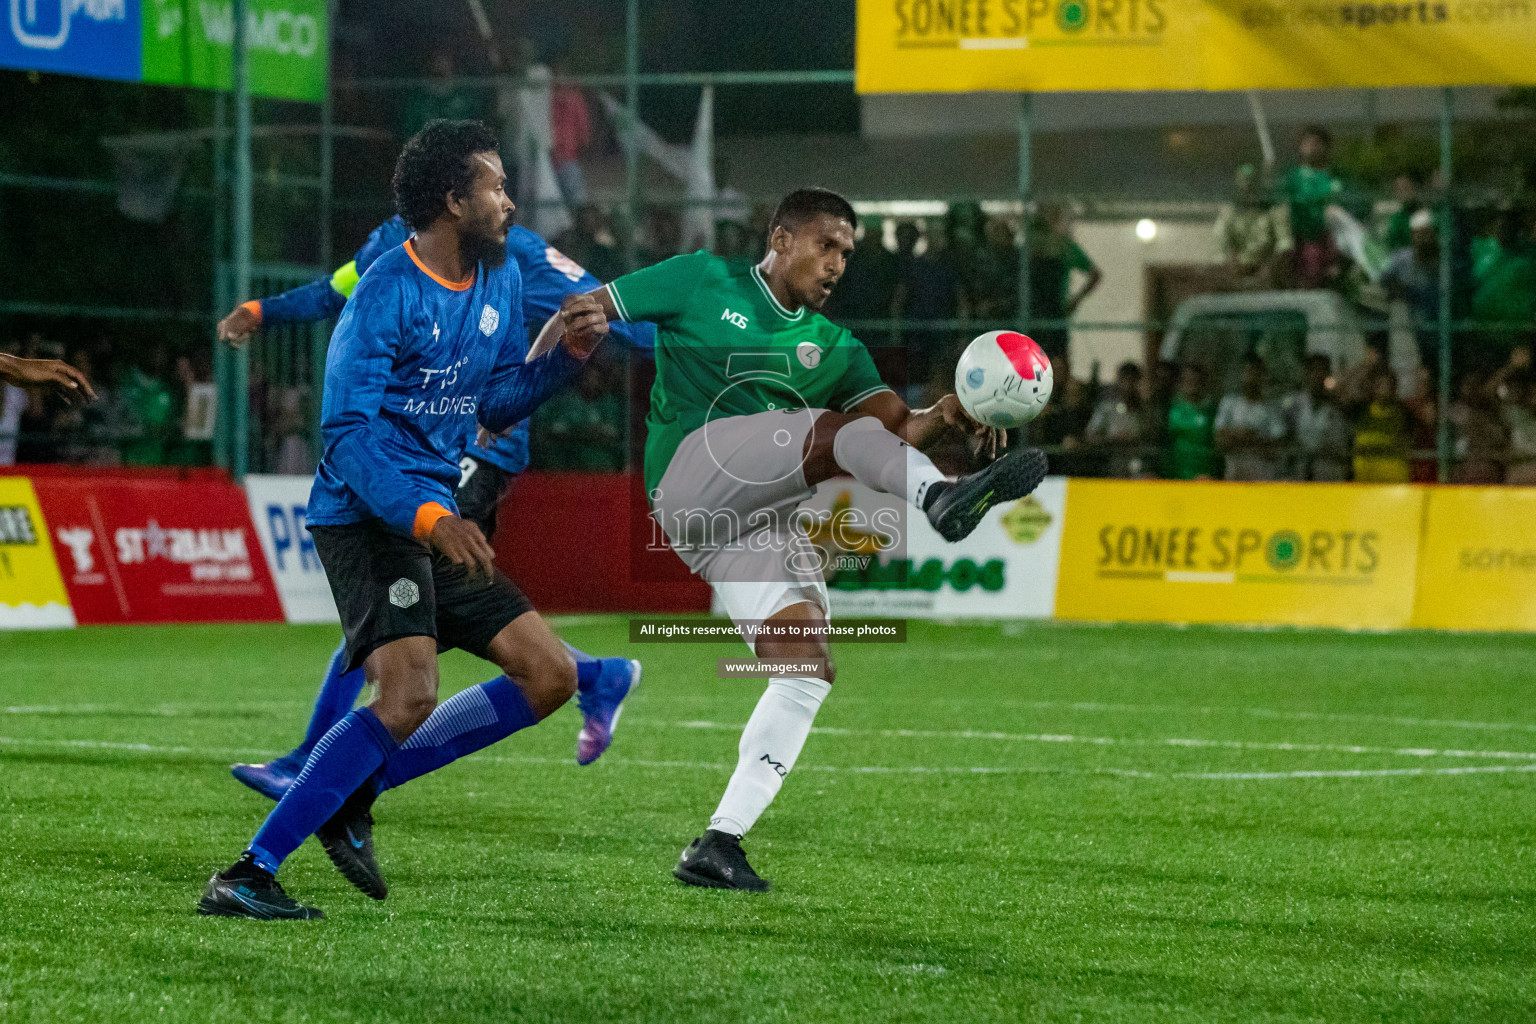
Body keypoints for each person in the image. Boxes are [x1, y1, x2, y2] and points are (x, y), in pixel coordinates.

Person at [559, 188, 1048, 891]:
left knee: (805, 667)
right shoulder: (703, 279)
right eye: (827, 245)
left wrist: (947, 414)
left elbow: (894, 429)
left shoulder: (839, 349)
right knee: (832, 432)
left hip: (739, 523)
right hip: (691, 472)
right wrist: (543, 365)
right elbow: (590, 308)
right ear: (782, 239)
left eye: (848, 253)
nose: (839, 263)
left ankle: (718, 843)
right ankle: (937, 498)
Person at [198, 120, 606, 920]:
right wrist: (428, 517)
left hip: (433, 512)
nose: (508, 200)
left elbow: (492, 405)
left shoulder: (495, 281)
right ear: (453, 200)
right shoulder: (386, 289)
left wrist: (566, 363)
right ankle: (248, 874)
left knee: (550, 675)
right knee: (410, 688)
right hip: (365, 514)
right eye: (494, 185)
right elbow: (346, 440)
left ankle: (351, 790)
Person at [216, 201, 654, 799]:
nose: (502, 198)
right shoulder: (389, 245)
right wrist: (261, 309)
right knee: (399, 616)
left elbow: (609, 305)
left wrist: (705, 353)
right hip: (401, 458)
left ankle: (317, 769)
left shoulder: (513, 252)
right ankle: (594, 676)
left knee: (400, 612)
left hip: (478, 448)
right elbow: (332, 291)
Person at [1026, 202, 1101, 369]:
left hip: (1055, 312)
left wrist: (1075, 300)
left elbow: (1095, 274)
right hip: (1031, 313)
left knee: (1058, 360)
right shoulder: (1027, 249)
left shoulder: (1065, 247)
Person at [1279, 126, 1343, 289]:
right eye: (1307, 143)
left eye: (1316, 143)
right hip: (1302, 240)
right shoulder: (1293, 177)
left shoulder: (1334, 177)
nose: (1312, 147)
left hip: (1332, 241)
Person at [1215, 354, 1286, 481]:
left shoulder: (1272, 408)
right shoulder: (1229, 403)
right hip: (1234, 472)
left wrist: (1244, 437)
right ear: (1242, 374)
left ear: (1264, 376)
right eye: (1249, 372)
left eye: (1257, 373)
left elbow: (1277, 445)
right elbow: (1220, 440)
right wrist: (1254, 439)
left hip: (1262, 474)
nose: (1252, 377)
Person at [1280, 354, 1350, 481]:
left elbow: (1342, 445)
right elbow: (1285, 437)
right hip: (1298, 471)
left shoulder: (1335, 408)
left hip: (1327, 472)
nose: (1318, 375)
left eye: (1323, 370)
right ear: (1306, 374)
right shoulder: (1293, 404)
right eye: (1314, 370)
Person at [1215, 164, 1285, 288]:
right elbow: (1221, 243)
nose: (1248, 187)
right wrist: (1233, 264)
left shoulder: (1273, 212)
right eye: (1245, 182)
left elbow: (1284, 243)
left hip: (1267, 273)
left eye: (1252, 183)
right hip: (1237, 272)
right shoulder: (1229, 213)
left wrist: (1269, 267)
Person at [1084, 361, 1147, 477]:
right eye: (1125, 380)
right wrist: (1112, 438)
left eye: (1132, 380)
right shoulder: (1106, 408)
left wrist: (1135, 439)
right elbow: (1091, 436)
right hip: (1108, 467)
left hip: (1136, 469)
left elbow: (1150, 438)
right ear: (1118, 380)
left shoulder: (1144, 411)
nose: (1128, 385)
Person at [1350, 368, 1412, 482]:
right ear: (1372, 387)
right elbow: (1343, 393)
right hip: (1364, 479)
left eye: (1388, 385)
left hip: (1394, 479)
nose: (1384, 389)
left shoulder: (1403, 413)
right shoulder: (1360, 410)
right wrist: (1365, 366)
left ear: (1394, 388)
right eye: (1380, 385)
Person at [1165, 364, 1220, 480]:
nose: (1192, 385)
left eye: (1196, 381)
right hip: (1176, 472)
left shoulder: (1212, 411)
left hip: (1205, 473)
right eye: (1188, 381)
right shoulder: (1171, 408)